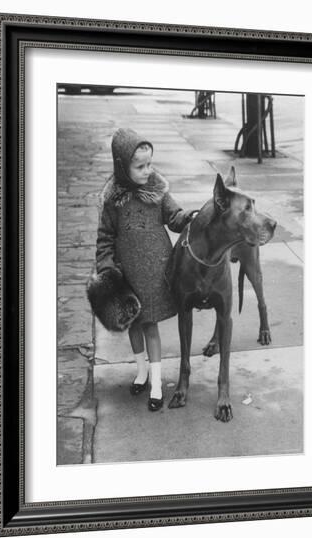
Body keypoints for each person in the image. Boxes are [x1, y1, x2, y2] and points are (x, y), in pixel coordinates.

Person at [95, 128, 195, 412]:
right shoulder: (113, 201)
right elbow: (105, 238)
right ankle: (141, 371)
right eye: (140, 166)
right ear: (122, 168)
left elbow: (174, 218)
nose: (147, 171)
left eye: (149, 164)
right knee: (133, 323)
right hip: (127, 275)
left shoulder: (157, 191)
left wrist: (187, 217)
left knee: (149, 324)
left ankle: (156, 383)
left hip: (155, 272)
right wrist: (107, 267)